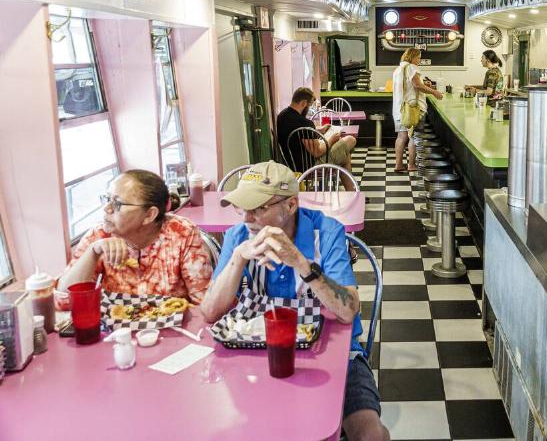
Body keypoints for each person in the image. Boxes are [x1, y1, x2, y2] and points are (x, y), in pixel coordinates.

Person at [200, 162, 389, 441]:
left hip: (334, 355)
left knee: (371, 434)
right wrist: (238, 258)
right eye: (241, 208)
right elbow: (209, 312)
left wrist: (301, 263)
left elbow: (348, 310)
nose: (247, 218)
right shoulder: (238, 236)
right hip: (256, 354)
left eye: (258, 208)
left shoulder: (326, 232)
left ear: (290, 205)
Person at [56, 170, 213, 305]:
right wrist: (93, 252)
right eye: (107, 199)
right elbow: (64, 300)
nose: (106, 208)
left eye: (117, 204)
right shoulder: (99, 235)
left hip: (173, 326)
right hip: (114, 328)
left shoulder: (181, 233)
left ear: (149, 215)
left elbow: (202, 301)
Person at [276, 87, 357, 190]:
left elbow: (298, 132)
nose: (308, 109)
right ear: (303, 103)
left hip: (291, 163)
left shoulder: (283, 115)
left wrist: (318, 129)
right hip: (309, 166)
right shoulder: (304, 122)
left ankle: (352, 192)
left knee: (345, 156)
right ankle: (352, 193)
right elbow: (317, 152)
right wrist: (332, 139)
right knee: (350, 139)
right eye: (309, 106)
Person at [391, 48, 443, 172]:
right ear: (412, 57)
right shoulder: (412, 67)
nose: (419, 60)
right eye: (418, 58)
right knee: (414, 136)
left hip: (399, 109)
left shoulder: (398, 69)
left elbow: (411, 84)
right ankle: (411, 165)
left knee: (401, 136)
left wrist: (424, 83)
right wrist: (434, 92)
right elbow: (417, 85)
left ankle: (398, 164)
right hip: (413, 109)